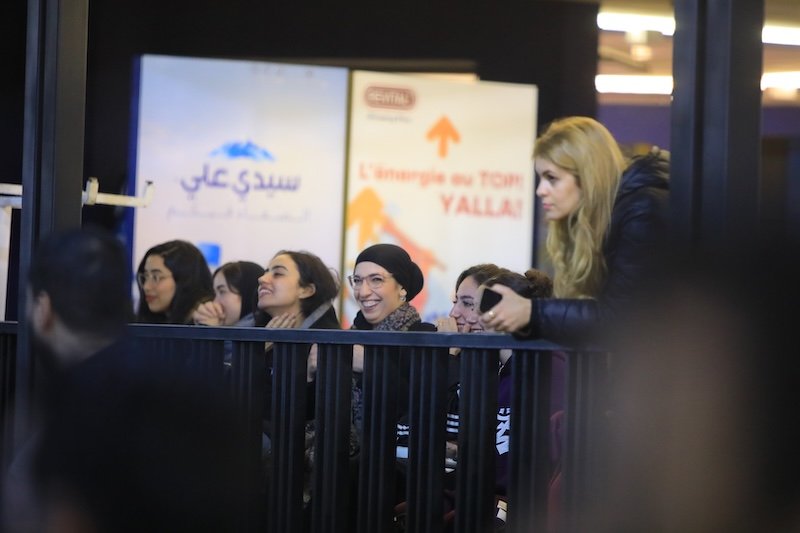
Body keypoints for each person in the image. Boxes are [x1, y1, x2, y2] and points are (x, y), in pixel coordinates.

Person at [481, 116, 669, 341]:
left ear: (588, 176)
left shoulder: (642, 211)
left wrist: (532, 313)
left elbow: (621, 318)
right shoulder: (606, 218)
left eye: (552, 178)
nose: (540, 190)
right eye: (541, 178)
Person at [135, 240, 214, 324]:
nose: (146, 287)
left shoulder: (206, 322)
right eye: (145, 277)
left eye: (156, 277)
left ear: (185, 280)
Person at [192, 260, 264, 326]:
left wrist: (211, 332)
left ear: (247, 295)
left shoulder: (256, 334)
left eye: (222, 291)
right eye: (215, 293)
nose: (215, 301)